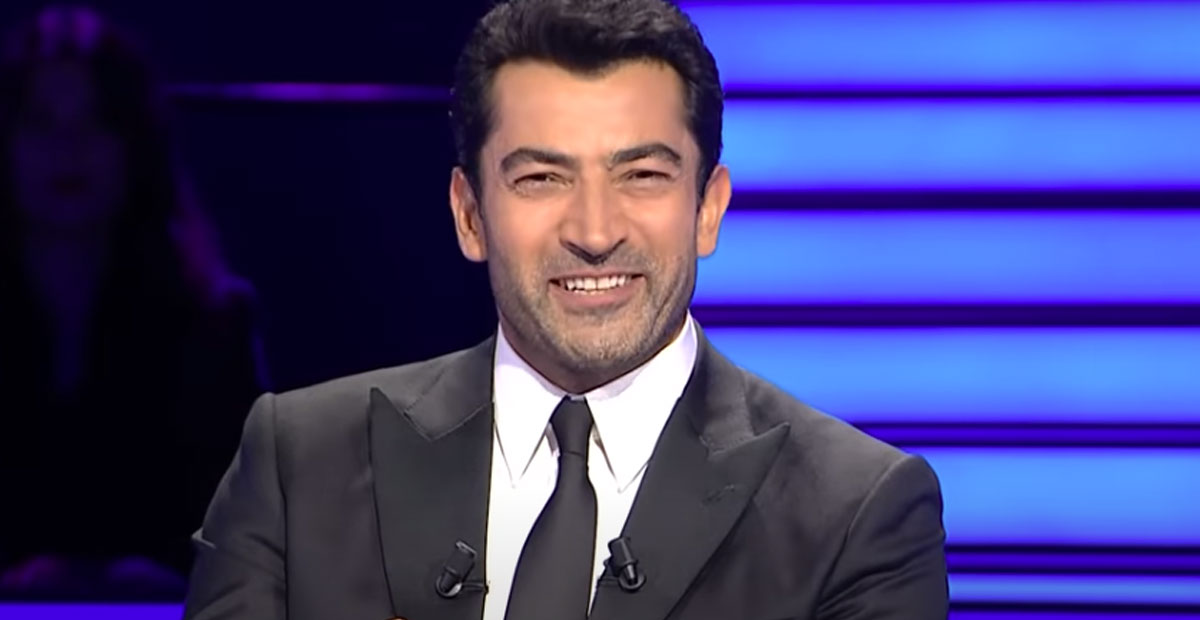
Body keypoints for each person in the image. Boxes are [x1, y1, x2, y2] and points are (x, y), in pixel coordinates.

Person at [183, 0, 948, 618]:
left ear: (707, 210)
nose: (594, 231)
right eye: (542, 179)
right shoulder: (299, 465)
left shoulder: (855, 512)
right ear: (469, 215)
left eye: (642, 175)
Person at [0, 6, 267, 597]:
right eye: (42, 123)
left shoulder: (212, 326)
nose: (68, 148)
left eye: (95, 121)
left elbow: (250, 542)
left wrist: (152, 582)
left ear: (134, 144)